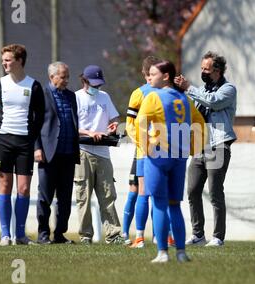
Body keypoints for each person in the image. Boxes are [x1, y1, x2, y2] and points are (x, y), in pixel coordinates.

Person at [135, 60, 206, 263]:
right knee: (175, 205)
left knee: (158, 204)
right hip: (179, 158)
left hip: (158, 157)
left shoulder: (153, 97)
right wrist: (192, 149)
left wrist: (147, 149)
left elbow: (140, 126)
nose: (149, 78)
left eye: (153, 74)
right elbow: (200, 123)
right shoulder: (184, 99)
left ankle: (162, 253)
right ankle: (182, 253)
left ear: (165, 76)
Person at [175, 51, 237, 247]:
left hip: (219, 144)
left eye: (206, 69)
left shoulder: (228, 89)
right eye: (201, 68)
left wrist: (189, 88)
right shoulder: (200, 90)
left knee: (215, 192)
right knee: (192, 190)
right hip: (200, 146)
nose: (202, 72)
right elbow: (191, 112)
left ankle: (218, 237)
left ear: (217, 71)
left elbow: (214, 102)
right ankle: (198, 234)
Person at [0, 44, 44, 246]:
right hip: (2, 141)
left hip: (25, 143)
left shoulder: (34, 86)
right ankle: (5, 235)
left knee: (23, 188)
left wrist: (30, 138)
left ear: (20, 61)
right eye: (3, 60)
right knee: (4, 185)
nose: (4, 63)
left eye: (8, 60)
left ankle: (20, 235)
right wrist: (0, 132)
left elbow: (40, 116)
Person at [74, 65, 123, 244]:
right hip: (82, 152)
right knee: (84, 197)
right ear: (84, 81)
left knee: (108, 195)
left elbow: (114, 118)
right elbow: (73, 127)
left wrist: (113, 125)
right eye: (93, 84)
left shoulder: (105, 97)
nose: (96, 88)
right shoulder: (76, 97)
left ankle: (113, 235)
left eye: (98, 84)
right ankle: (85, 236)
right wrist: (89, 133)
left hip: (103, 152)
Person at [34, 62, 80, 245]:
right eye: (63, 77)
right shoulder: (41, 95)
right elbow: (34, 123)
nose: (66, 80)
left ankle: (60, 234)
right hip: (48, 154)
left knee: (65, 198)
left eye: (67, 76)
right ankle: (43, 234)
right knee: (45, 197)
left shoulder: (71, 96)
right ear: (52, 77)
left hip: (68, 154)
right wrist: (37, 147)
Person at [123, 56, 163, 248]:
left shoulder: (162, 92)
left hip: (150, 150)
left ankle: (144, 237)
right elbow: (131, 125)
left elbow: (129, 126)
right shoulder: (141, 93)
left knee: (146, 193)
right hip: (151, 150)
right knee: (150, 194)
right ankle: (150, 237)